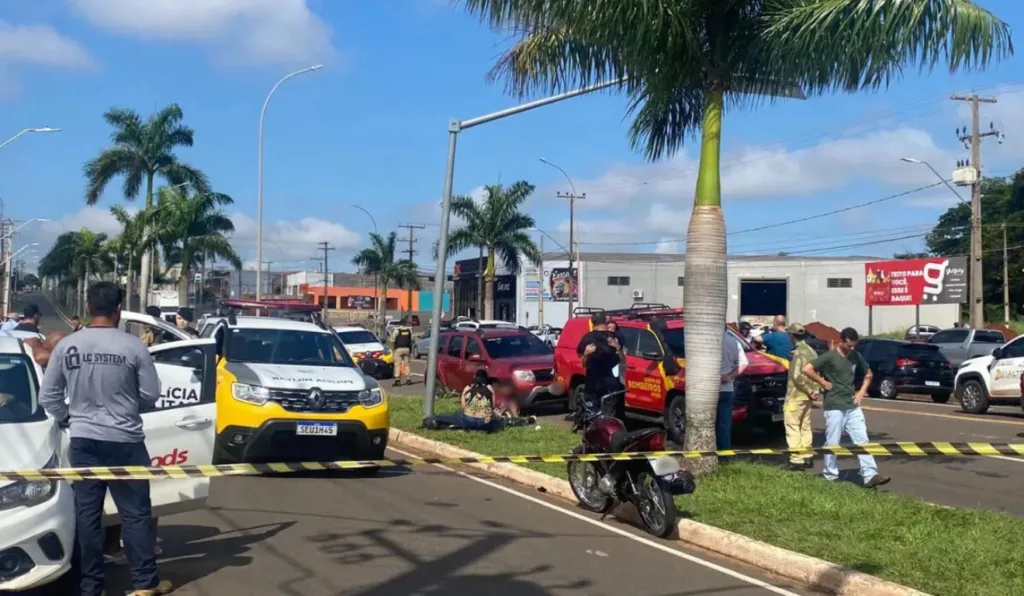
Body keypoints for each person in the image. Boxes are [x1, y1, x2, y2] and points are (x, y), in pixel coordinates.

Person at [38, 282, 171, 596]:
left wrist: (69, 417)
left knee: (88, 517)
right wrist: (126, 401)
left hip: (84, 441)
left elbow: (48, 396)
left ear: (87, 308)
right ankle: (144, 584)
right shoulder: (133, 346)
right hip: (126, 441)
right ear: (118, 310)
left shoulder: (68, 346)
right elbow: (151, 394)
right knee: (135, 515)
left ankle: (91, 586)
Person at [802, 327, 891, 489]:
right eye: (849, 345)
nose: (852, 348)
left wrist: (861, 392)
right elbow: (807, 369)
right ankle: (830, 475)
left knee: (862, 440)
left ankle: (870, 475)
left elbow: (869, 374)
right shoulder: (830, 356)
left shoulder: (856, 356)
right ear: (841, 341)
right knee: (833, 441)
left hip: (852, 406)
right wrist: (823, 383)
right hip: (834, 406)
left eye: (854, 345)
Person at [783, 323, 821, 470]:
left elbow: (796, 376)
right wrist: (815, 390)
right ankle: (807, 456)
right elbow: (816, 372)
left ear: (792, 336)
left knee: (792, 426)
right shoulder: (811, 351)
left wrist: (809, 390)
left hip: (795, 395)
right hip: (807, 398)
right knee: (805, 426)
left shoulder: (797, 353)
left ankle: (796, 459)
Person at [576, 313, 624, 417]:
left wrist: (585, 354)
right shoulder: (615, 337)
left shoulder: (587, 338)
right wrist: (618, 347)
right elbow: (623, 362)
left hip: (593, 383)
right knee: (609, 415)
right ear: (605, 322)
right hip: (610, 384)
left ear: (592, 322)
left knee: (592, 414)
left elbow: (583, 364)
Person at [717, 329, 748, 451]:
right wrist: (730, 376)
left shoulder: (706, 340)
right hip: (727, 388)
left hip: (707, 390)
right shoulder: (733, 341)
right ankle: (724, 453)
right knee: (724, 424)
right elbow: (744, 363)